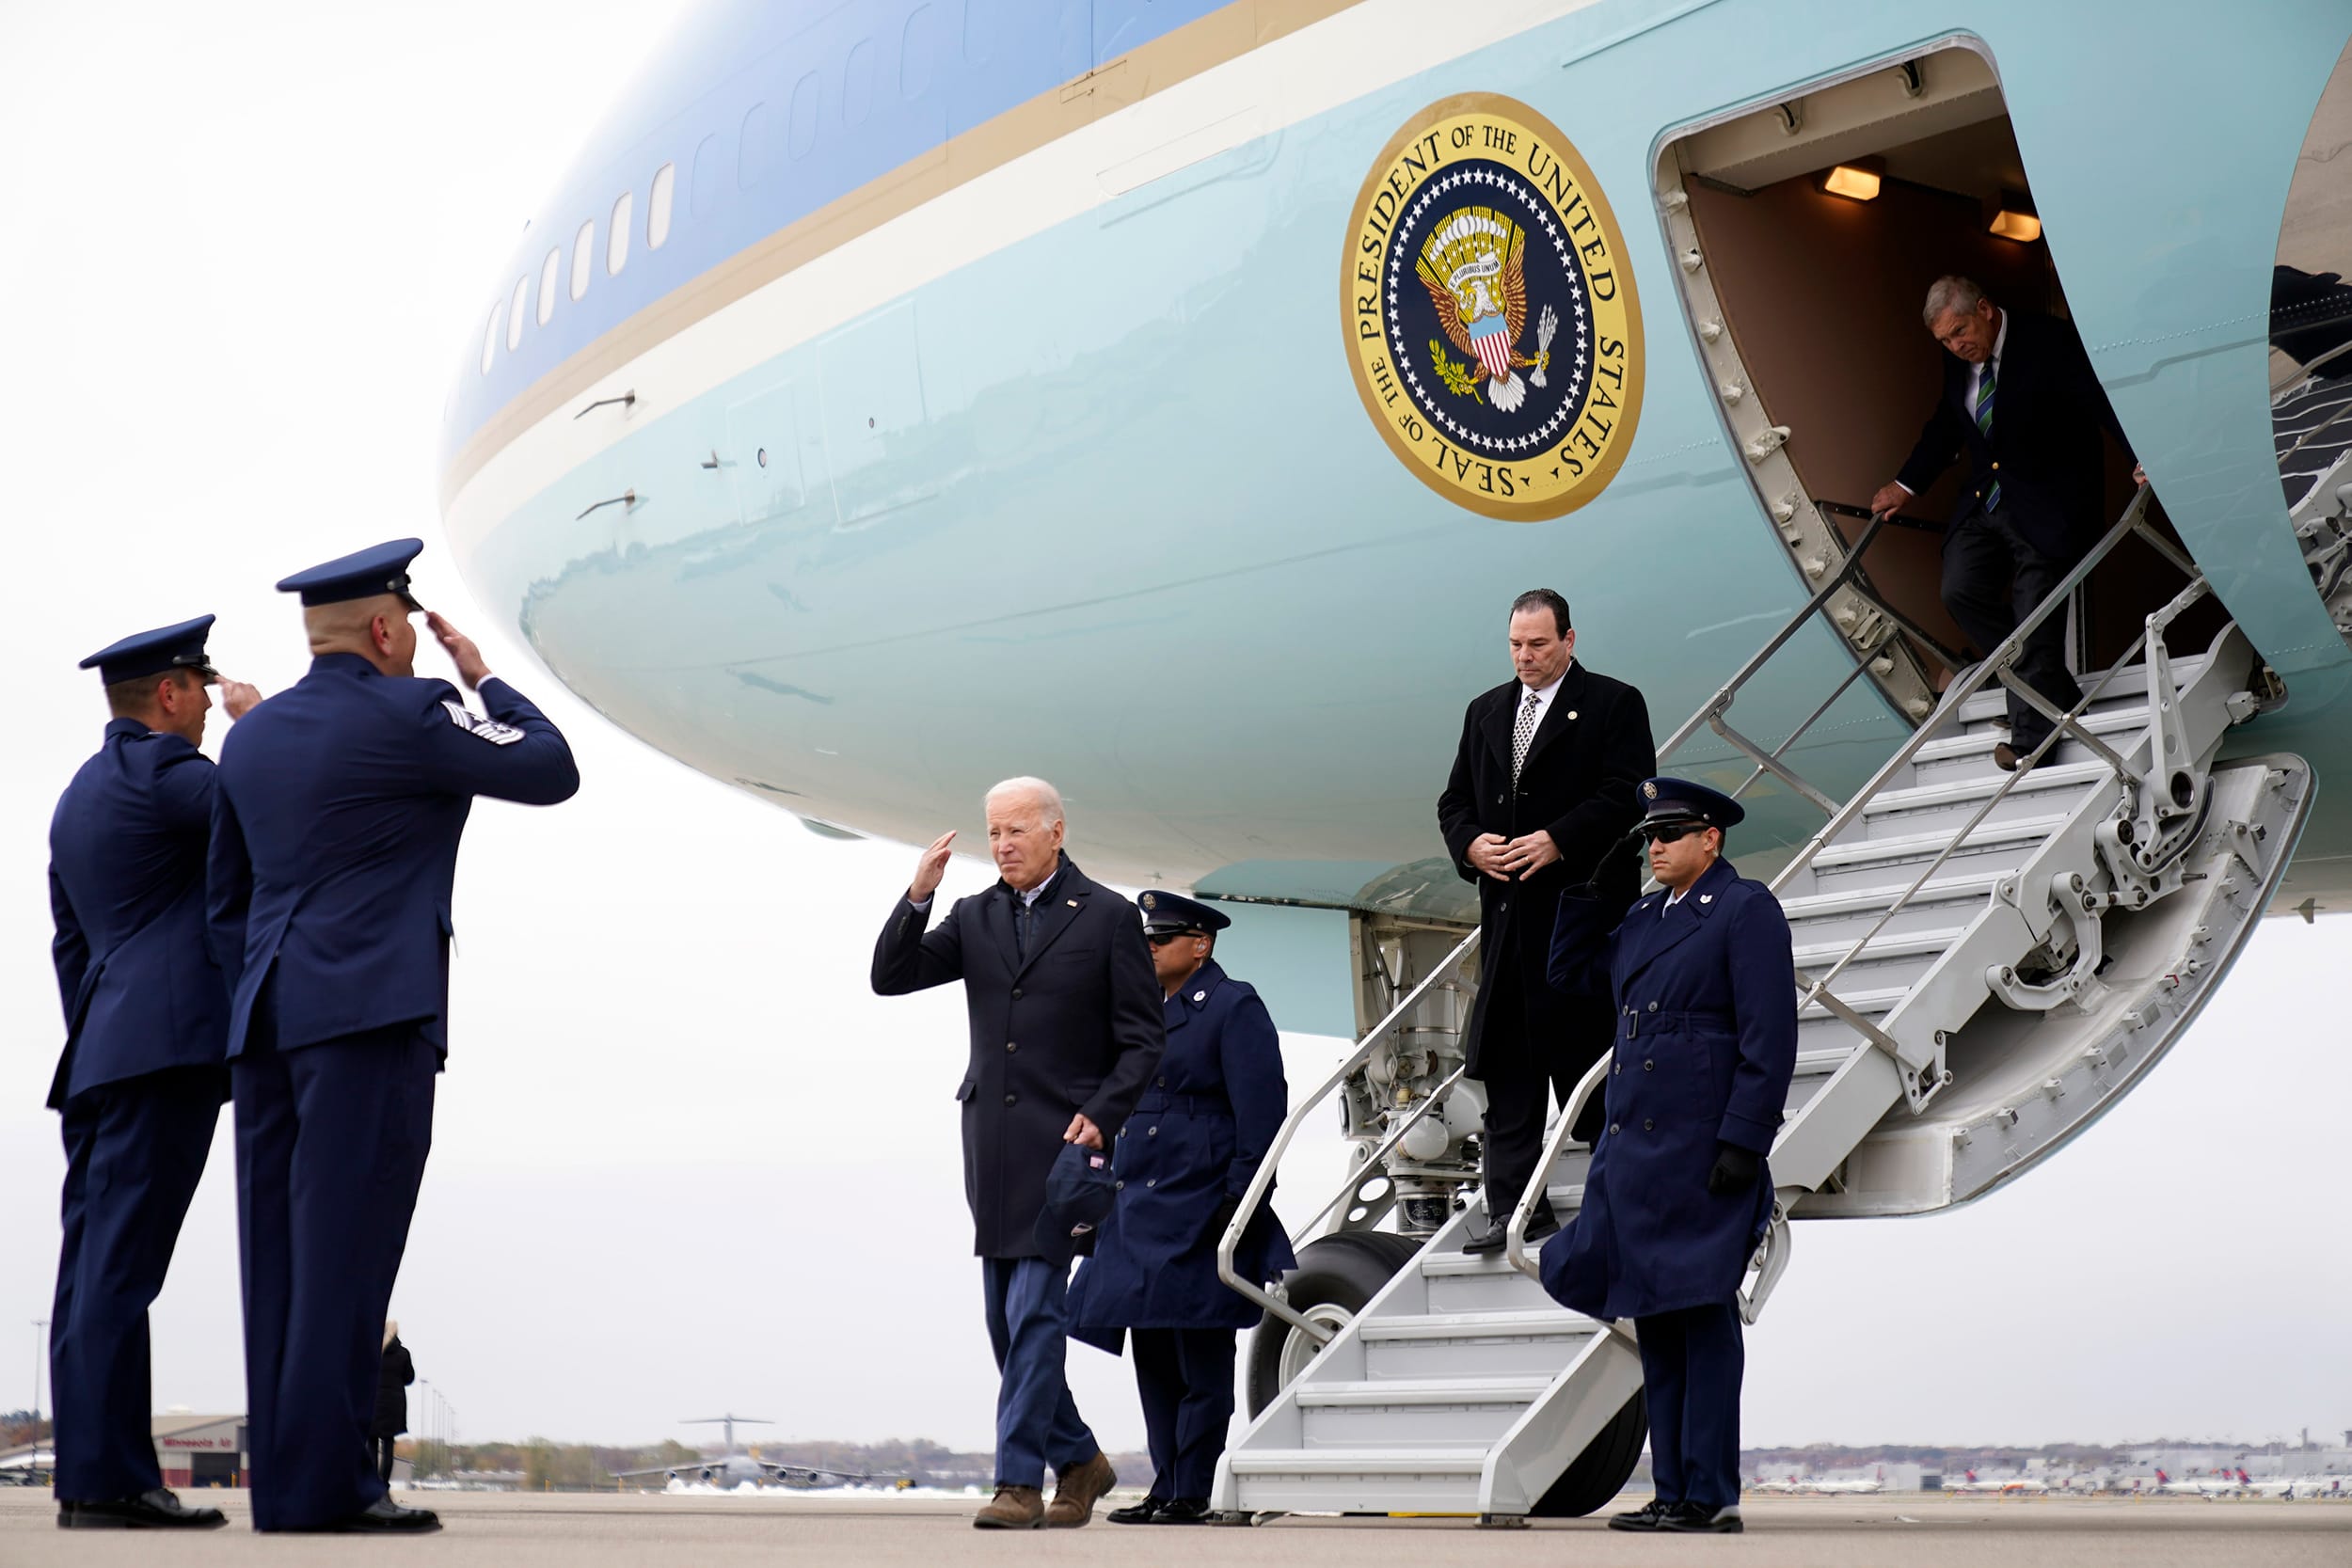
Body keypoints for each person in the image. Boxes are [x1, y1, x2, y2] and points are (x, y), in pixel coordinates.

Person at [209, 539, 579, 1534]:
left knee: (278, 1263)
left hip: (266, 1021)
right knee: (350, 1254)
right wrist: (483, 676)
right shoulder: (414, 712)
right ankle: (333, 1489)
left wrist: (259, 999)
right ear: (385, 627)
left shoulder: (251, 737)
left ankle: (290, 1489)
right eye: (407, 623)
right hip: (369, 1014)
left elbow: (225, 901)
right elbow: (551, 768)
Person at [870, 778, 1163, 1529]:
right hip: (992, 1146)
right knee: (1005, 1324)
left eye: (1016, 831)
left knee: (1034, 1310)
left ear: (1055, 832)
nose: (1002, 845)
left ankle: (1017, 1483)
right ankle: (1081, 1459)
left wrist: (1104, 1114)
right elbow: (891, 978)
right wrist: (918, 895)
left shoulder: (1107, 916)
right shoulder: (974, 915)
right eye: (993, 832)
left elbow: (1142, 1039)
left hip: (1065, 1147)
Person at [1540, 778, 1798, 1536]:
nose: (1654, 846)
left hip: (1702, 1148)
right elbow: (1571, 975)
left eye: (1670, 833)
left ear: (1710, 838)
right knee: (1656, 1319)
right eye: (1648, 836)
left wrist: (1744, 1141)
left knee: (1703, 1315)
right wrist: (1591, 892)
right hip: (1641, 1153)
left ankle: (1710, 1492)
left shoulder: (1744, 909)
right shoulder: (1645, 917)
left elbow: (1769, 1035)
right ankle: (1673, 1490)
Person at [46, 617, 259, 1531]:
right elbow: (270, 810)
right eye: (202, 686)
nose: (210, 701)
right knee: (123, 1269)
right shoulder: (174, 774)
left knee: (91, 1269)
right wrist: (259, 728)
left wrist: (106, 1031)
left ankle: (91, 1475)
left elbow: (70, 944)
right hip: (164, 1052)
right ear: (169, 692)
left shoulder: (78, 795)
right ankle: (112, 1482)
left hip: (101, 1052)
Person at [1065, 891, 1295, 1527]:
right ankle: (1165, 1485)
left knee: (1200, 1355)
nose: (1148, 948)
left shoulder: (1232, 1005)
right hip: (1139, 1204)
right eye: (1145, 939)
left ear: (1200, 944)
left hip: (1200, 1203)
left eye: (1160, 939)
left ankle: (1192, 1488)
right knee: (1155, 1355)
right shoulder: (1142, 1013)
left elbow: (1262, 1113)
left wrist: (1241, 1199)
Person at [1438, 590, 1654, 1255]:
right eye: (1515, 644)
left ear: (1568, 639)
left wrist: (1559, 838)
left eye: (1537, 644)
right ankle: (1513, 1214)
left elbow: (1629, 795)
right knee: (1510, 1082)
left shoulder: (1614, 703)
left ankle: (1622, 1207)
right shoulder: (1486, 710)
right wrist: (1470, 845)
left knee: (1593, 1082)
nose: (1524, 656)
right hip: (1507, 933)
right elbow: (1454, 801)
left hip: (1578, 928)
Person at [1869, 276, 2141, 771]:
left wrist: (2139, 455)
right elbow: (1947, 424)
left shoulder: (2049, 341)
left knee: (2033, 614)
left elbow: (2100, 400)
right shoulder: (1958, 361)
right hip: (1986, 501)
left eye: (1959, 332)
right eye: (1945, 341)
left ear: (1985, 309)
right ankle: (2052, 689)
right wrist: (1906, 485)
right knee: (1959, 591)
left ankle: (2031, 744)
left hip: (2048, 503)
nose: (1956, 346)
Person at [373, 1323, 414, 1485]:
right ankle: (384, 1484)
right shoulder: (403, 1354)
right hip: (393, 1404)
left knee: (371, 1443)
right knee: (388, 1444)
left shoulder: (372, 1351)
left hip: (373, 1401)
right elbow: (409, 1378)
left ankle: (372, 1482)